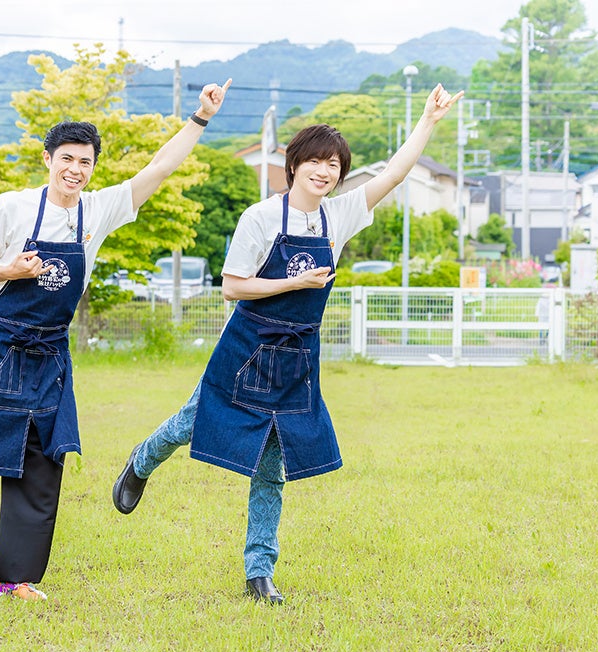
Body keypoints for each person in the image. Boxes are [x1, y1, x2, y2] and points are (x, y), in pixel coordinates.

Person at [0, 78, 232, 602]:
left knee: (42, 457)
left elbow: (160, 169)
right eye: (68, 159)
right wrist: (9, 268)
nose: (76, 170)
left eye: (86, 162)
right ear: (49, 158)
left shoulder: (96, 212)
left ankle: (11, 580)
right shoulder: (13, 207)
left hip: (51, 350)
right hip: (0, 342)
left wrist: (201, 118)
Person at [112, 84, 463, 604]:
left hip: (298, 356)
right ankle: (141, 461)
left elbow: (393, 172)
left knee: (273, 462)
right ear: (294, 165)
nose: (324, 173)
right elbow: (233, 285)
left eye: (334, 167)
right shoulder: (260, 217)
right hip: (249, 344)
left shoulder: (337, 216)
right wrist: (292, 284)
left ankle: (259, 571)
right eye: (315, 162)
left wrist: (429, 121)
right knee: (192, 422)